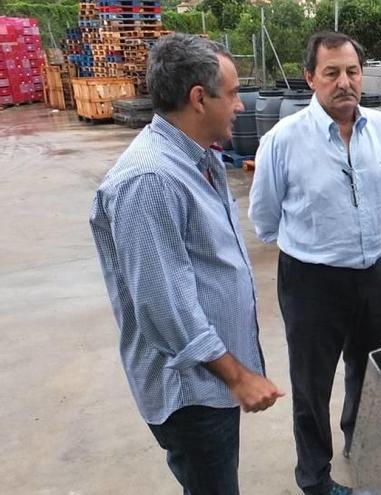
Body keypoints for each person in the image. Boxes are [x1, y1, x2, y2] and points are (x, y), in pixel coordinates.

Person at [89, 34, 283, 494]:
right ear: (199, 98)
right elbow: (165, 308)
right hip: (192, 392)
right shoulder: (151, 180)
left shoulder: (199, 159)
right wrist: (238, 377)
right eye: (233, 93)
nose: (239, 105)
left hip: (210, 382)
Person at [248, 31, 381, 495]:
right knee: (311, 385)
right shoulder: (283, 140)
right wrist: (312, 246)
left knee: (366, 368)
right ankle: (314, 477)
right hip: (311, 279)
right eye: (331, 73)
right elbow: (264, 218)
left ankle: (358, 439)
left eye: (352, 71)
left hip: (374, 271)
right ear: (310, 77)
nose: (344, 82)